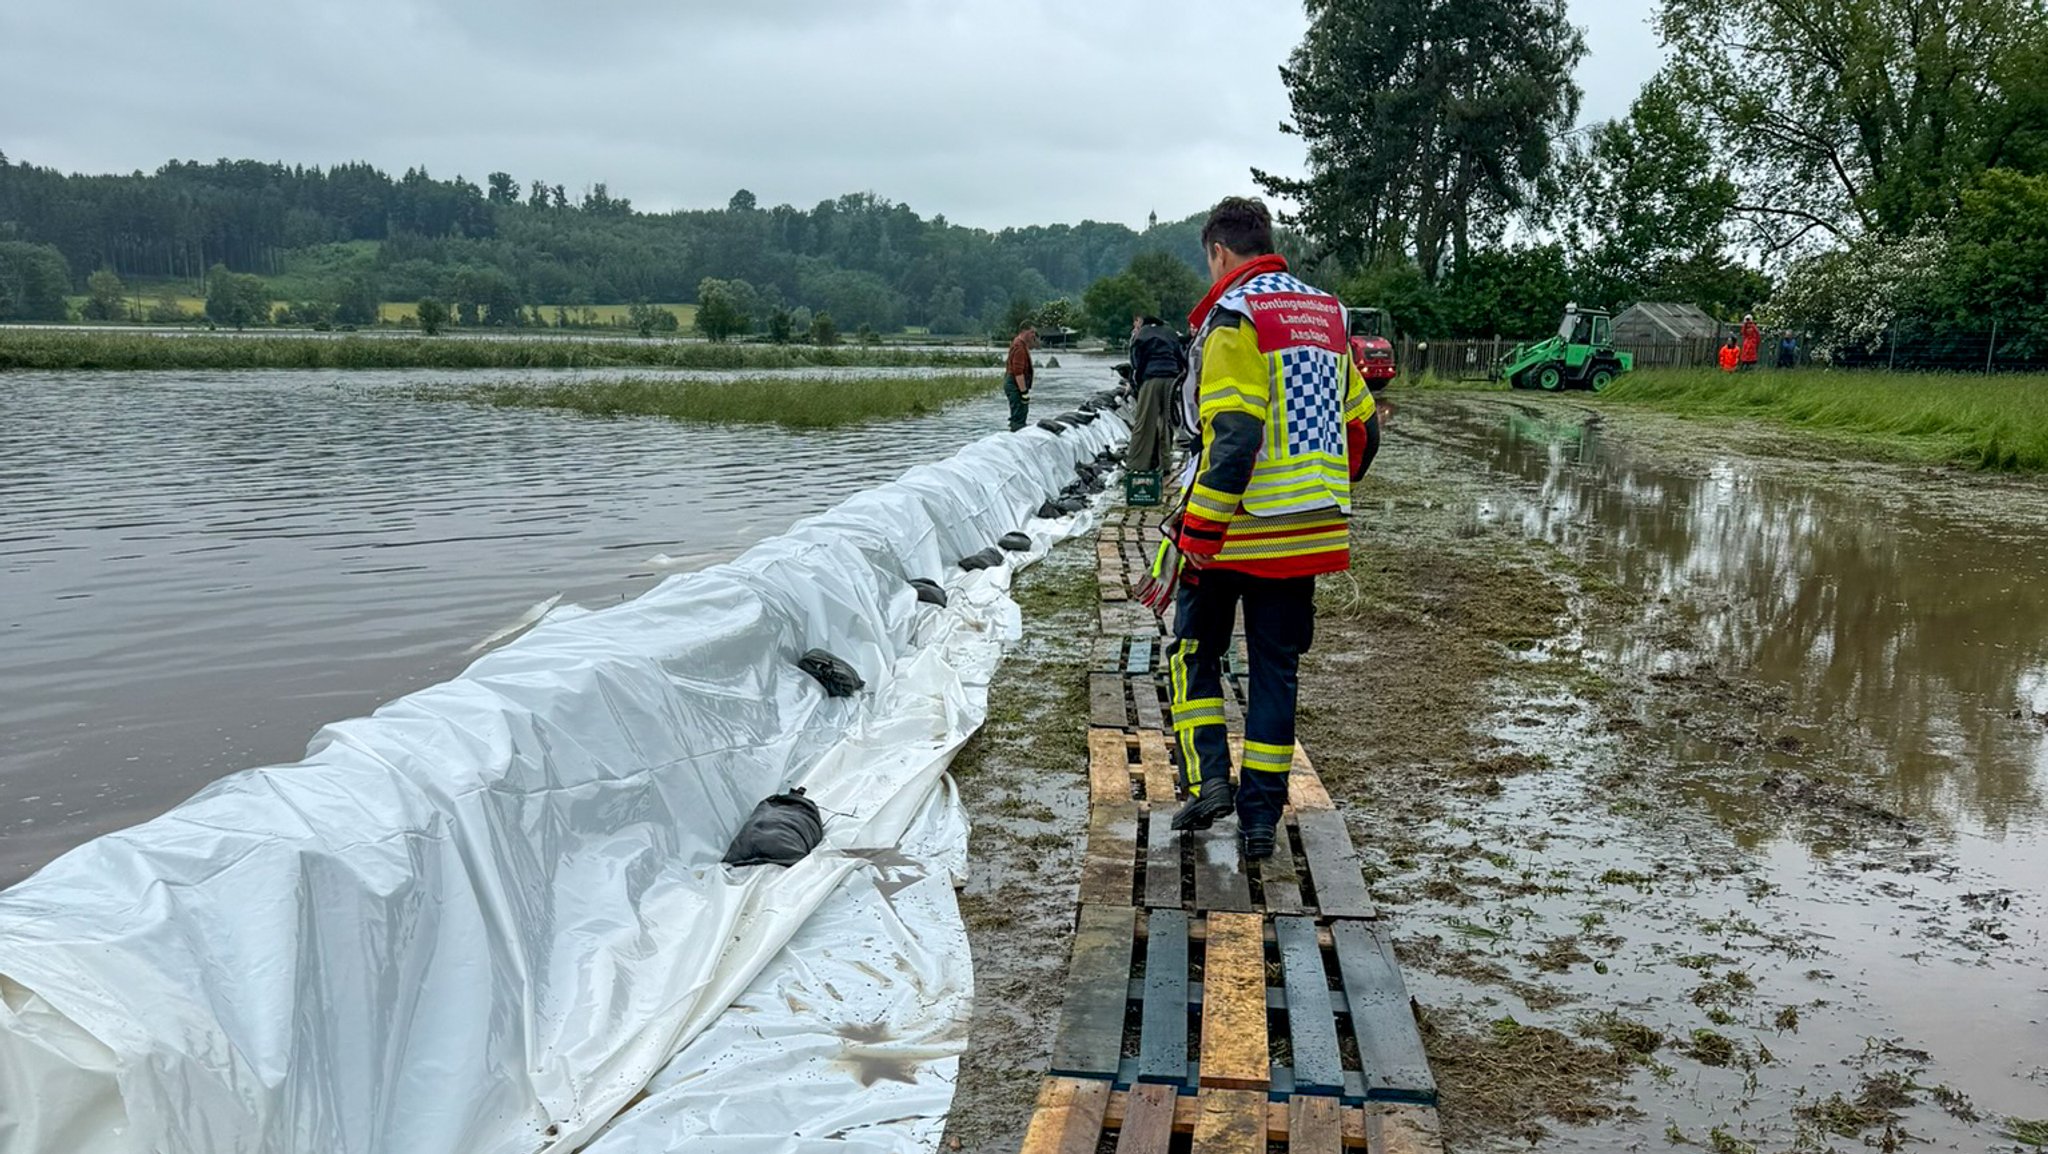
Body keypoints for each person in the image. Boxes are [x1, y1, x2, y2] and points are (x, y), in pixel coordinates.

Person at [1165, 197, 1380, 861]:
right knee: (1275, 672)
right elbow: (1364, 431)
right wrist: (1320, 490)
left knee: (1192, 654)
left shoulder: (1236, 316)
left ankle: (1208, 786)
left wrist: (1197, 536)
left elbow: (1233, 436)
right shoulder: (1327, 315)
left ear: (1219, 253)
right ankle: (1261, 820)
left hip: (1233, 529)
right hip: (1307, 533)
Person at [1126, 313, 1187, 478]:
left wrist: (1136, 384)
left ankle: (1138, 464)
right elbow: (1181, 357)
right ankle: (1165, 463)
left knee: (1145, 422)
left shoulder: (1142, 334)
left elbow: (1136, 362)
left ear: (1142, 323)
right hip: (1171, 380)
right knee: (1167, 421)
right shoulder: (1170, 332)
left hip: (1151, 379)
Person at [1004, 326, 1038, 431]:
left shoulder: (1020, 344)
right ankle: (1015, 434)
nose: (1034, 335)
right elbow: (1018, 373)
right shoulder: (1019, 347)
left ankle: (1016, 433)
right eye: (1032, 332)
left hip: (1014, 382)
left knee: (1020, 413)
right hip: (1015, 384)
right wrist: (1024, 393)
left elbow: (1033, 345)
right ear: (1024, 331)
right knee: (1019, 414)